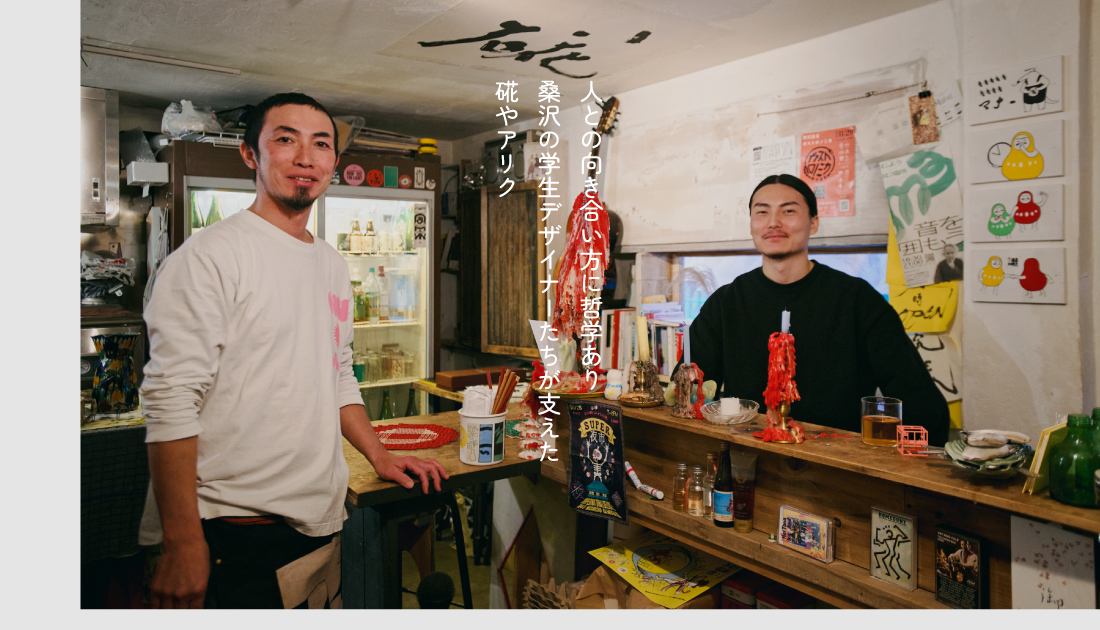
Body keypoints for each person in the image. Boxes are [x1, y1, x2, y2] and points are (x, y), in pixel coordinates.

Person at [139, 93, 449, 610]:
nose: (305, 157)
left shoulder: (329, 263)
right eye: (285, 139)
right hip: (233, 533)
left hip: (317, 524)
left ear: (333, 162)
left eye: (320, 143)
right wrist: (182, 540)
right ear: (250, 155)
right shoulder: (209, 258)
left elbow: (339, 373)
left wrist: (379, 453)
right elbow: (170, 400)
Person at [688, 174, 949, 445]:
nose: (773, 222)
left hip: (838, 465)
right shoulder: (726, 302)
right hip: (748, 456)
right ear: (752, 224)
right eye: (762, 212)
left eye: (788, 211)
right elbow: (690, 390)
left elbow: (920, 401)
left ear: (813, 223)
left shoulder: (857, 300)